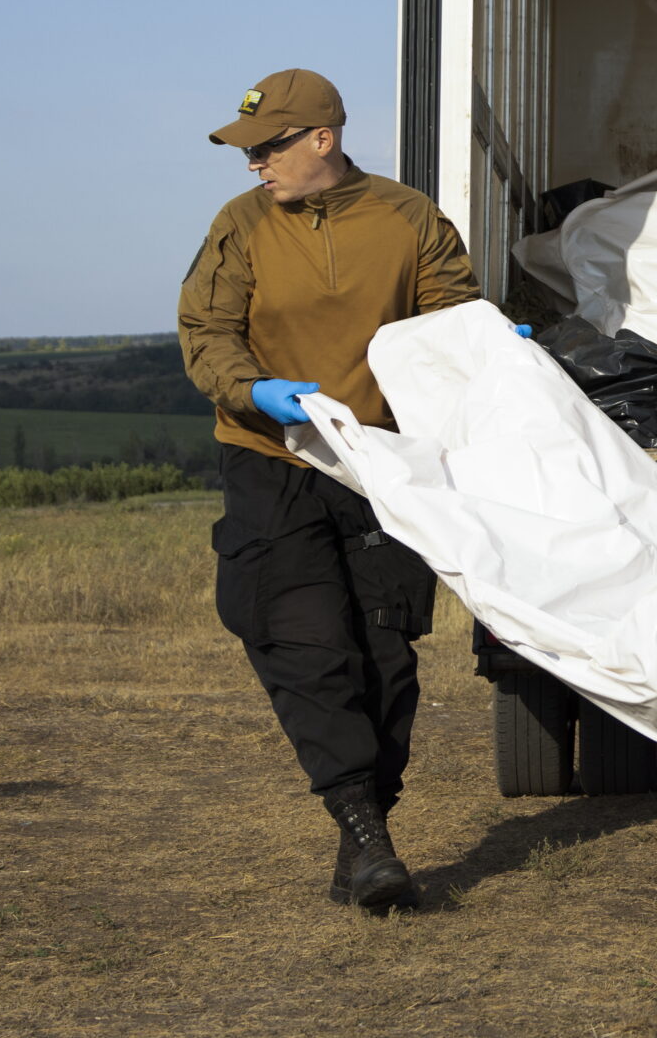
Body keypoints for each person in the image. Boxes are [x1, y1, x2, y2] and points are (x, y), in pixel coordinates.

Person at [177, 68, 482, 912]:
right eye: (248, 152)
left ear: (323, 139)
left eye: (268, 148)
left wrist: (485, 345)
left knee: (387, 659)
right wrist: (254, 391)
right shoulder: (239, 227)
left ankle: (361, 838)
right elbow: (206, 332)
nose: (254, 166)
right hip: (271, 457)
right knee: (309, 646)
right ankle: (368, 834)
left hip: (378, 463)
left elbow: (447, 317)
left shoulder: (408, 217)